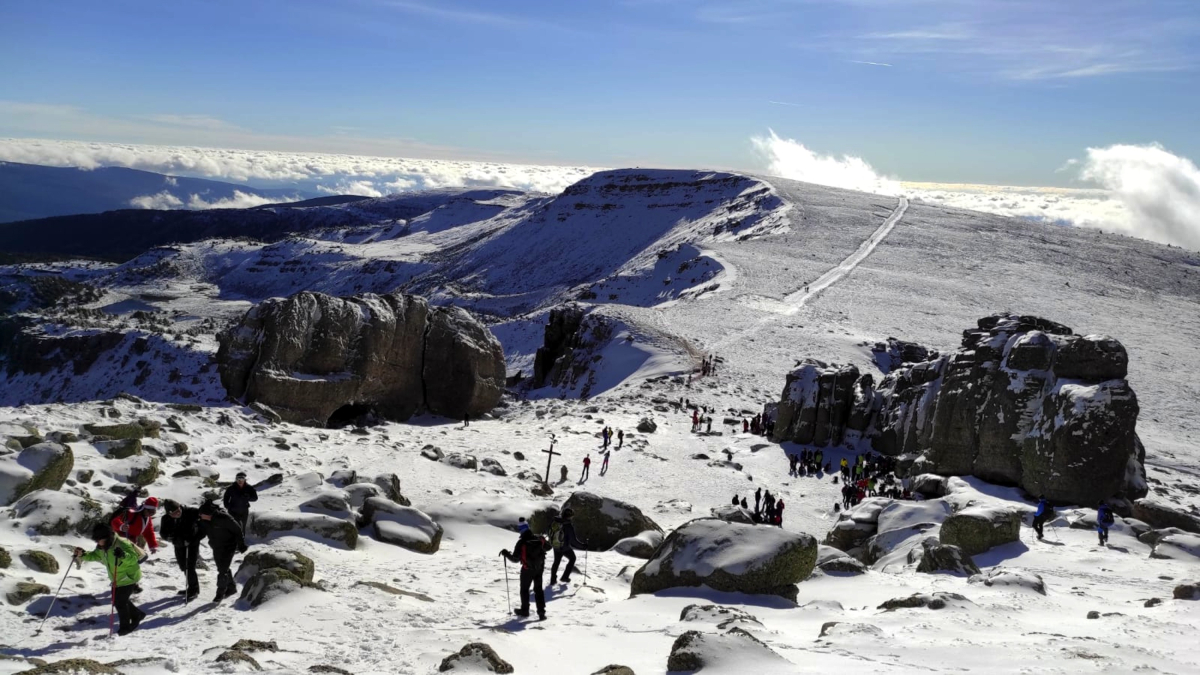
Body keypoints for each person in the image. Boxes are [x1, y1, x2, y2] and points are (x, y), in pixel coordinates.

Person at [74, 524, 146, 636]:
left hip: (129, 577)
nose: (98, 543)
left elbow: (133, 559)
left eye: (100, 540)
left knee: (119, 602)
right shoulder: (102, 547)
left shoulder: (123, 544)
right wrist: (83, 554)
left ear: (108, 537)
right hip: (117, 578)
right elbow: (95, 556)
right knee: (119, 599)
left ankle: (125, 627)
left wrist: (123, 555)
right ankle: (137, 614)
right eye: (96, 540)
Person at [199, 501, 248, 602]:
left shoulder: (224, 518)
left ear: (210, 514)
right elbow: (201, 531)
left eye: (204, 515)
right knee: (221, 567)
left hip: (229, 546)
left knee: (222, 570)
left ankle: (220, 592)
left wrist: (241, 545)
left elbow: (238, 530)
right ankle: (231, 588)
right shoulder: (204, 520)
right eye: (201, 515)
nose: (202, 517)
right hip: (216, 546)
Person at [500, 519, 547, 619]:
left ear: (521, 530)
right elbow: (549, 547)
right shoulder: (538, 538)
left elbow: (515, 559)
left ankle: (525, 610)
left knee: (524, 590)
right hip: (539, 568)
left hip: (527, 570)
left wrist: (506, 553)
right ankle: (541, 612)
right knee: (538, 590)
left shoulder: (521, 542)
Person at [159, 499, 203, 601]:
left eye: (178, 509)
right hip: (179, 545)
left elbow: (203, 522)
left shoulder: (191, 512)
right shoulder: (166, 519)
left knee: (190, 566)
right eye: (174, 512)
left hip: (192, 544)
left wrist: (195, 537)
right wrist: (170, 538)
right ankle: (191, 586)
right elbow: (163, 533)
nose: (178, 512)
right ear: (169, 513)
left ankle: (194, 589)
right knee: (183, 566)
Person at [549, 508, 586, 584]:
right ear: (569, 516)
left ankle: (553, 580)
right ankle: (565, 577)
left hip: (555, 546)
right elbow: (573, 542)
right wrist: (583, 546)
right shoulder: (568, 526)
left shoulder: (555, 521)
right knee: (572, 558)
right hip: (564, 547)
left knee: (556, 562)